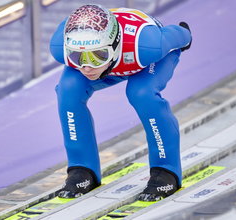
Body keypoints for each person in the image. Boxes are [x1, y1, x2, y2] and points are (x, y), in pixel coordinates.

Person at [49, 4, 192, 201]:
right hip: (115, 63)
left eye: (98, 55)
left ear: (114, 45)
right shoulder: (61, 48)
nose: (87, 67)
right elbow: (87, 60)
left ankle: (166, 170)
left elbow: (178, 35)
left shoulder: (148, 45)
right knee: (68, 90)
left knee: (141, 93)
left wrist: (186, 34)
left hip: (143, 60)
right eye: (77, 56)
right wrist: (92, 58)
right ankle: (82, 168)